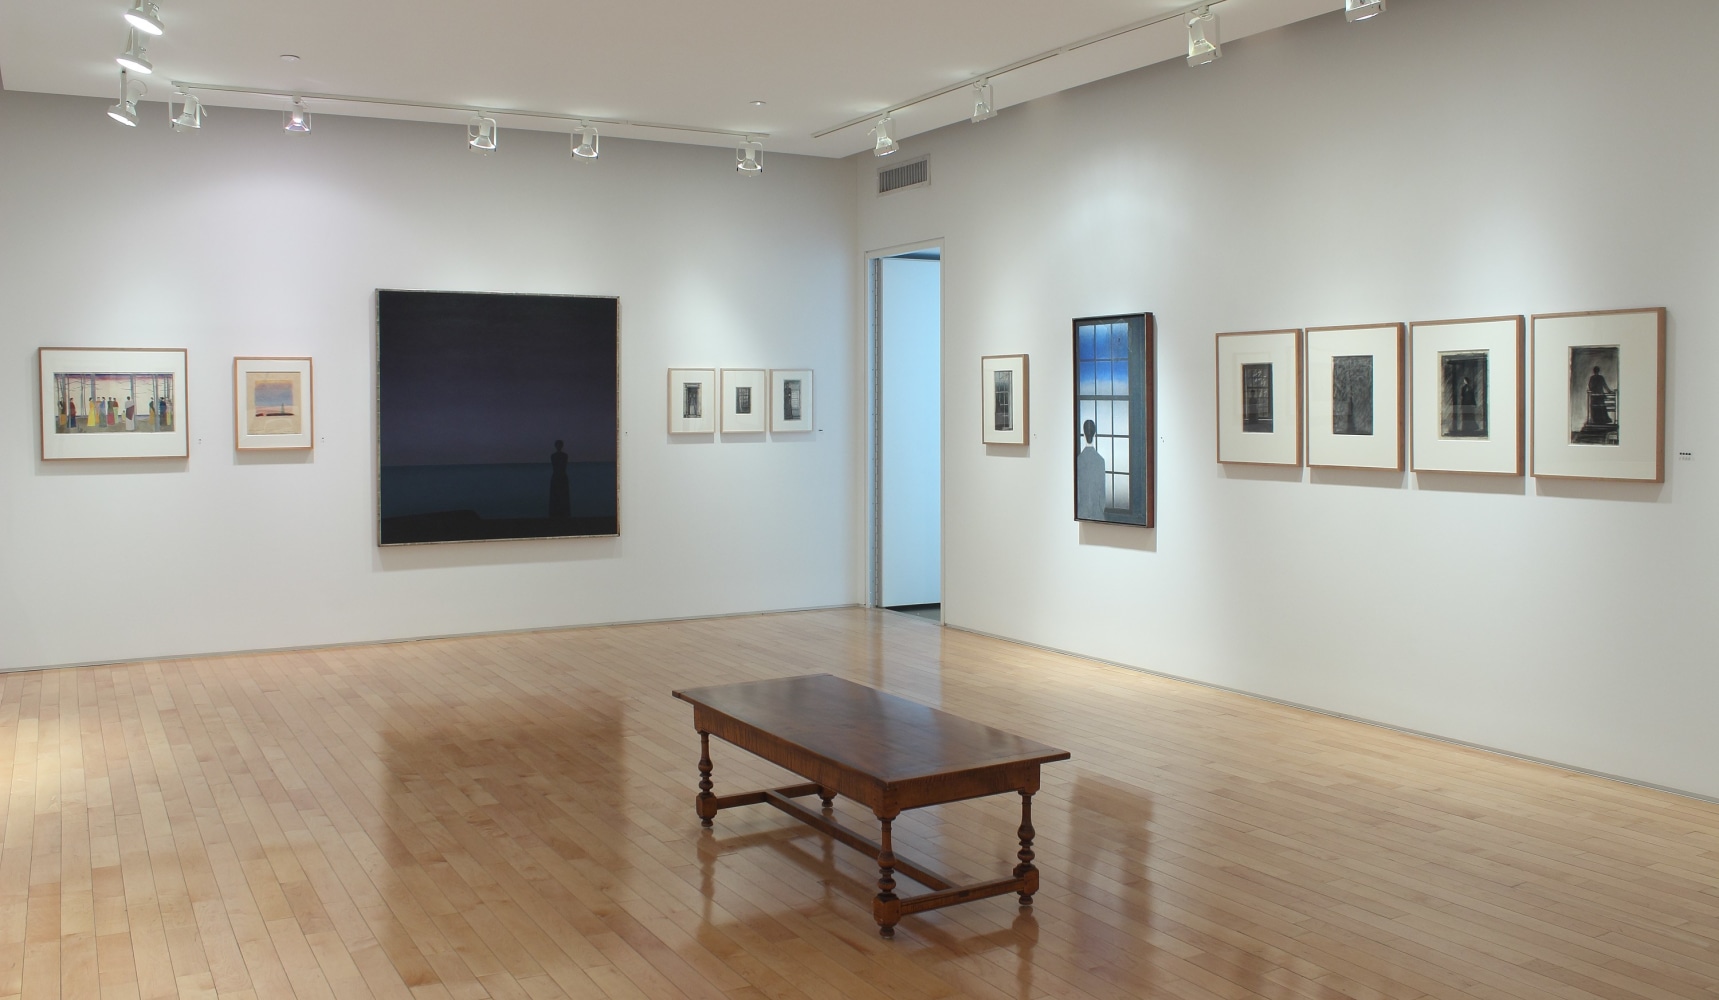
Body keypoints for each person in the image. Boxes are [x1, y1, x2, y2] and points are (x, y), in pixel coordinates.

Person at [1076, 419, 1107, 520]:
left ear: (1083, 434)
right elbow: (1102, 494)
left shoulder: (1079, 460)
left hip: (1081, 513)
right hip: (1097, 513)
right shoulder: (1100, 461)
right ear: (1095, 434)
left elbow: (1077, 493)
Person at [548, 440, 572, 519]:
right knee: (557, 496)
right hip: (558, 476)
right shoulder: (554, 456)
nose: (558, 446)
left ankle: (561, 512)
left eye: (559, 445)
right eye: (558, 445)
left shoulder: (564, 456)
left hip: (560, 476)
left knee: (562, 495)